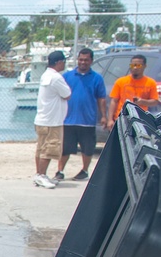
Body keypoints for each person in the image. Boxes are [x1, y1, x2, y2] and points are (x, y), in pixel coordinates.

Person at [55, 47, 107, 182]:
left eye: (86, 60)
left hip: (87, 120)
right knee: (65, 148)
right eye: (81, 59)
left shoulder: (97, 78)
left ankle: (84, 170)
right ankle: (60, 171)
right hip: (68, 120)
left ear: (91, 61)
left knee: (88, 148)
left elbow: (101, 98)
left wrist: (104, 116)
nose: (83, 62)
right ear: (77, 60)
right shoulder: (67, 76)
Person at [32, 50, 71, 189]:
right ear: (59, 62)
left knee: (41, 148)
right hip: (52, 121)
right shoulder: (56, 77)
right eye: (63, 62)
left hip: (42, 119)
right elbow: (67, 94)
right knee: (49, 148)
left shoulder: (45, 75)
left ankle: (39, 174)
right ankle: (41, 175)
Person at [107, 53, 159, 130]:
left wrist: (142, 101)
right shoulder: (121, 81)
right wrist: (110, 119)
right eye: (132, 65)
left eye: (138, 65)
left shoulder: (151, 83)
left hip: (140, 119)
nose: (135, 68)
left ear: (144, 66)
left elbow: (155, 101)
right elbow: (114, 101)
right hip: (121, 118)